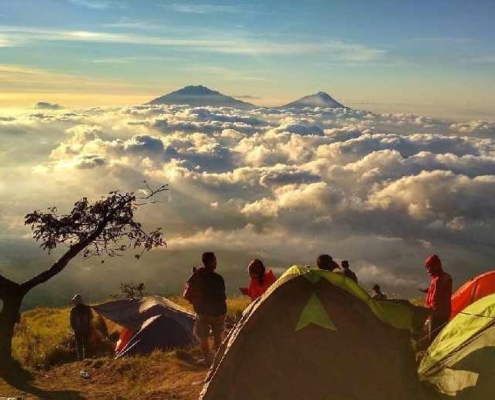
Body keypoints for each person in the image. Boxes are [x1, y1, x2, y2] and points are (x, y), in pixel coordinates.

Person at [183, 252, 227, 365]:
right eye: (214, 260)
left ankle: (207, 360)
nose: (216, 263)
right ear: (211, 262)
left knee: (203, 337)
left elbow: (190, 293)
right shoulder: (218, 279)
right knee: (217, 335)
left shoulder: (197, 276)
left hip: (202, 312)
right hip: (217, 312)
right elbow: (222, 296)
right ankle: (219, 361)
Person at [422, 254, 452, 343]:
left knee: (433, 338)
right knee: (441, 335)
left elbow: (436, 300)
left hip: (436, 314)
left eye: (429, 267)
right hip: (446, 312)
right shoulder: (447, 277)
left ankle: (432, 354)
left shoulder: (437, 280)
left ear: (436, 266)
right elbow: (443, 292)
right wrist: (428, 290)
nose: (428, 270)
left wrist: (426, 310)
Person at [69, 294, 93, 361]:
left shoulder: (73, 310)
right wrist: (91, 327)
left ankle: (80, 358)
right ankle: (87, 357)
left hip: (77, 330)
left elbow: (71, 321)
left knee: (79, 344)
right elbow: (91, 318)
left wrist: (74, 328)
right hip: (86, 328)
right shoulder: (87, 308)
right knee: (86, 343)